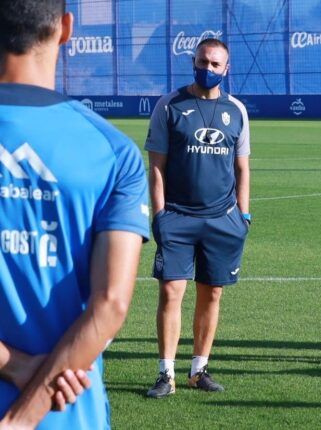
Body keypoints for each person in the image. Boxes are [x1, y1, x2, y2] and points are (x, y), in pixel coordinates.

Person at [0, 0, 150, 427]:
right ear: (66, 29)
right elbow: (111, 304)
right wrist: (22, 419)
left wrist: (13, 364)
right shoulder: (111, 151)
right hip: (64, 413)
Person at [145, 38, 251, 398]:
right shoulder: (169, 105)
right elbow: (155, 166)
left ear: (226, 69)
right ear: (194, 61)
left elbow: (242, 167)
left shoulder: (236, 110)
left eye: (215, 64)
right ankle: (166, 374)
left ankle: (198, 370)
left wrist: (244, 214)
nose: (208, 69)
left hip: (223, 219)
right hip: (177, 216)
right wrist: (159, 214)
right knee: (171, 291)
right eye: (203, 62)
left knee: (212, 293)